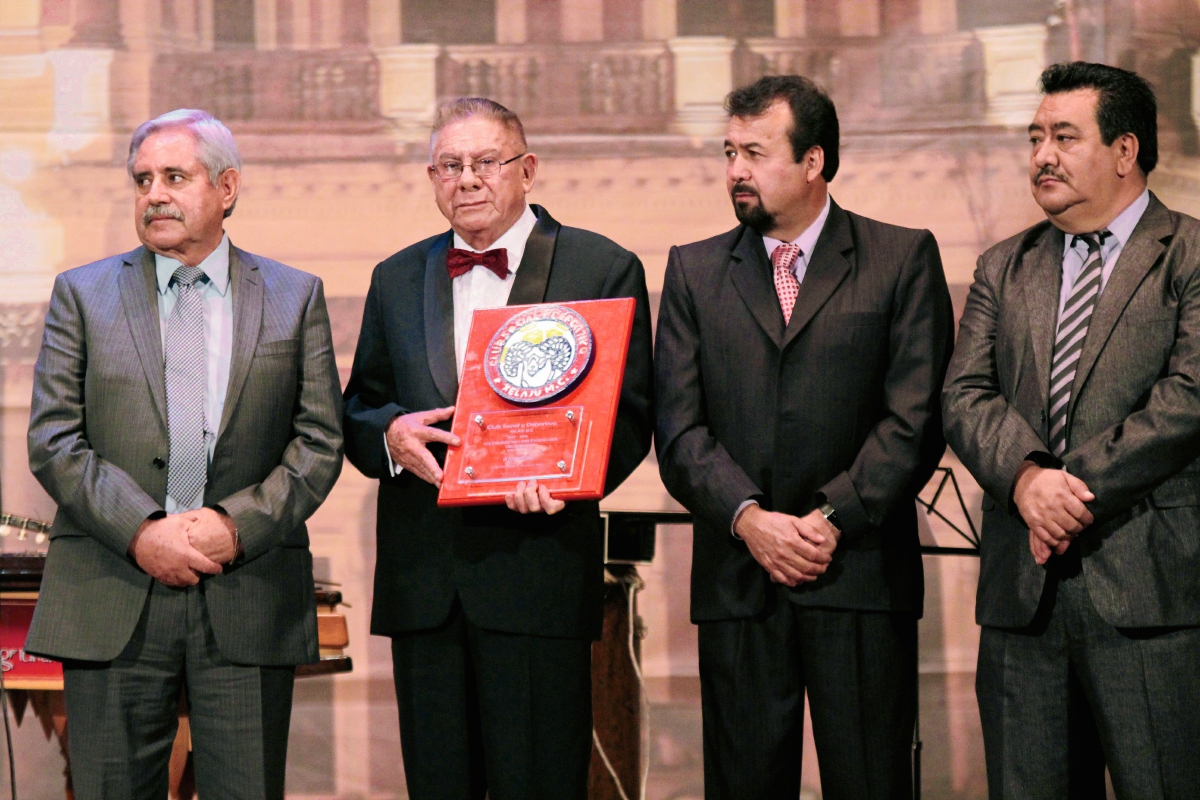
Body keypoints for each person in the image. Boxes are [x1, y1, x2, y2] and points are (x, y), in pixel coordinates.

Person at [24, 109, 344, 798]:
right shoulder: (81, 295)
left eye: (175, 176)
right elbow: (53, 439)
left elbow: (319, 443)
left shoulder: (294, 296)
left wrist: (235, 526)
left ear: (226, 188)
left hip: (248, 591)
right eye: (142, 180)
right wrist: (143, 531)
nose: (154, 195)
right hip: (114, 589)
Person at [341, 97, 653, 800]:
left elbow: (631, 418)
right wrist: (390, 436)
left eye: (486, 162)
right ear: (431, 177)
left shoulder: (601, 267)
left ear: (528, 169)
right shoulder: (395, 277)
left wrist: (566, 480)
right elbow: (359, 409)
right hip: (426, 589)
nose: (468, 180)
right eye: (449, 166)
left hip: (536, 575)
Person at [654, 75, 953, 799]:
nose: (735, 171)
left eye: (754, 152)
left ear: (814, 161)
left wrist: (826, 521)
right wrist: (752, 520)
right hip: (739, 579)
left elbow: (915, 419)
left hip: (859, 574)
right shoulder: (694, 270)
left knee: (872, 780)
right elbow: (679, 429)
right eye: (728, 152)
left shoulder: (901, 257)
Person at [944, 61, 1200, 799]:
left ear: (1125, 151)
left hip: (1152, 597)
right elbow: (964, 394)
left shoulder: (1188, 255)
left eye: (1063, 136)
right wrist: (1027, 480)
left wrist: (1068, 491)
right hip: (1024, 604)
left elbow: (1186, 400)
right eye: (1034, 138)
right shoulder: (1004, 265)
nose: (1041, 156)